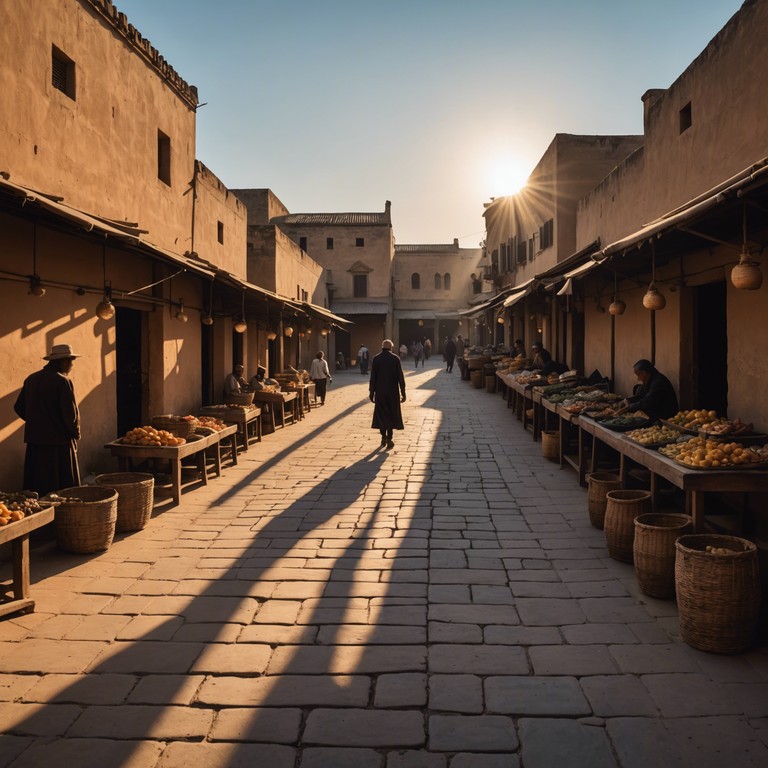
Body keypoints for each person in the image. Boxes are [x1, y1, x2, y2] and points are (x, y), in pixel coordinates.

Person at [14, 343, 81, 495]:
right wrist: (75, 434)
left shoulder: (31, 379)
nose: (71, 365)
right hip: (59, 442)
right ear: (63, 361)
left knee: (39, 482)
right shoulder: (62, 381)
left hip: (36, 440)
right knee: (62, 486)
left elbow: (19, 407)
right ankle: (62, 514)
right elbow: (70, 415)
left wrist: (36, 421)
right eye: (71, 361)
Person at [370, 339, 406, 450]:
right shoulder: (395, 359)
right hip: (392, 392)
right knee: (391, 414)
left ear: (382, 347)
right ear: (391, 348)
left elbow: (373, 377)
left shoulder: (376, 359)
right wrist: (403, 392)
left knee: (381, 414)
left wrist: (372, 392)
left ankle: (383, 437)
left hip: (380, 391)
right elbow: (400, 376)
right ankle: (389, 438)